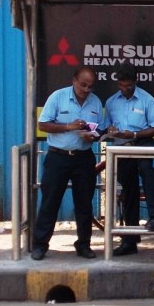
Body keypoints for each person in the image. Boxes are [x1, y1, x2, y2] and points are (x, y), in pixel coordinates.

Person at [32, 66, 103, 261]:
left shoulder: (95, 102)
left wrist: (92, 137)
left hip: (83, 158)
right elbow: (43, 124)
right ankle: (39, 245)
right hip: (58, 157)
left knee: (84, 203)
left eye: (90, 86)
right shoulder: (57, 97)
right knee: (50, 202)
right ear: (74, 80)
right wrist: (68, 126)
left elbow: (98, 132)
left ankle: (84, 245)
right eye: (83, 85)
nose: (86, 89)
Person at [104, 62, 154, 256]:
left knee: (147, 172)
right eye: (121, 85)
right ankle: (129, 240)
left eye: (128, 86)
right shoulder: (111, 102)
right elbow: (105, 128)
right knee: (128, 189)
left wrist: (135, 135)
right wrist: (111, 130)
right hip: (122, 148)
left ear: (135, 81)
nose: (125, 89)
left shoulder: (146, 99)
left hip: (143, 142)